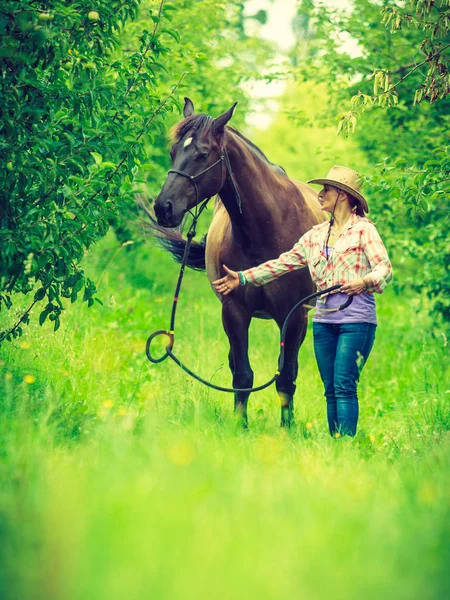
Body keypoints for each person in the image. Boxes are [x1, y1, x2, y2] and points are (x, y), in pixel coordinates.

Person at [212, 165, 393, 437]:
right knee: (330, 387)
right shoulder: (315, 235)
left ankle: (345, 446)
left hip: (355, 318)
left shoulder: (364, 231)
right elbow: (282, 264)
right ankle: (337, 444)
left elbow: (384, 268)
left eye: (327, 190)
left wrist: (364, 281)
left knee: (344, 385)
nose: (319, 195)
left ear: (343, 196)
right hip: (324, 319)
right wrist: (242, 278)